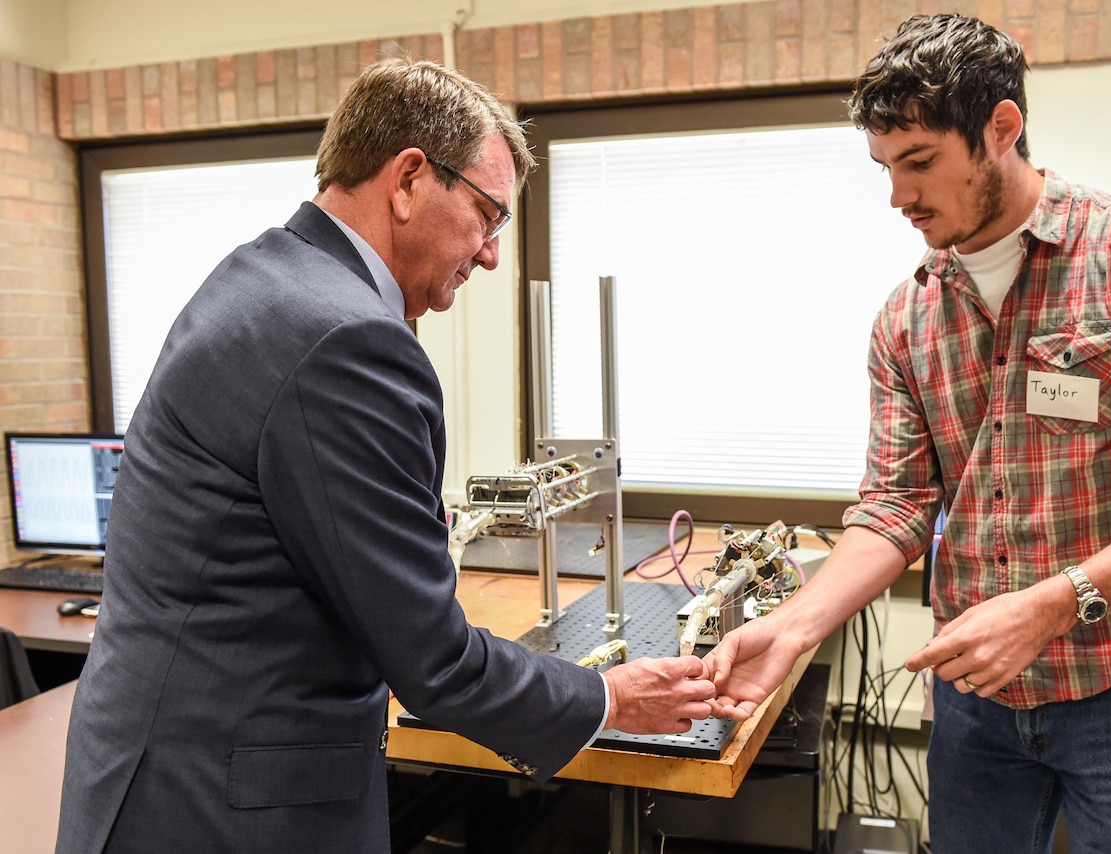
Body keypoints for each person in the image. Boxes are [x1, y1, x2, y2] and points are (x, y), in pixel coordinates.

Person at [56, 57, 715, 854]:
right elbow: (435, 665)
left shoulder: (261, 276)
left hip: (155, 774)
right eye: (488, 215)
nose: (493, 253)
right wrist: (607, 697)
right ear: (408, 179)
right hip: (229, 809)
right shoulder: (348, 340)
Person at [705, 14, 1111, 854]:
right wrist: (791, 628)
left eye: (921, 161)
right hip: (977, 694)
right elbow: (895, 507)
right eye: (886, 167)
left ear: (1002, 128)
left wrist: (1052, 605)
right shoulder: (907, 316)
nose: (899, 196)